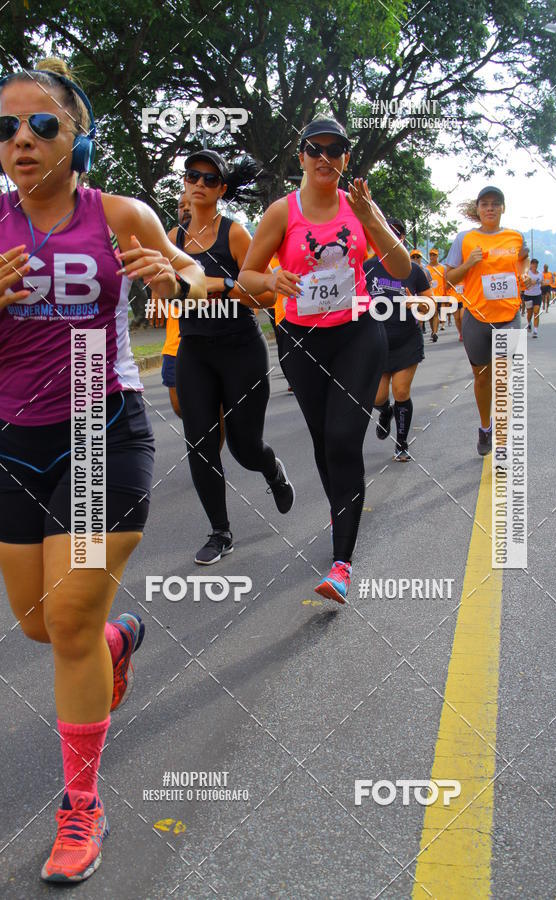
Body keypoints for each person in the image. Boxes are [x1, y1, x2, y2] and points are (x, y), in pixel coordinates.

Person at [0, 59, 206, 883]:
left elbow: (192, 277)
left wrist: (177, 279)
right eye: (6, 127)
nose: (20, 139)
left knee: (71, 622)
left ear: (79, 137)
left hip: (99, 424)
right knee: (39, 626)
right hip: (14, 435)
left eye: (41, 124)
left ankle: (81, 809)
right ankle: (119, 641)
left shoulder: (119, 214)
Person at [238, 116, 411, 602]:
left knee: (341, 438)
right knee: (322, 440)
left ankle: (341, 564)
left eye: (335, 150)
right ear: (301, 157)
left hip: (357, 333)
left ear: (346, 159)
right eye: (314, 149)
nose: (324, 158)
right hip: (300, 338)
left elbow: (403, 268)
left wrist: (371, 215)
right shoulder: (281, 212)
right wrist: (271, 281)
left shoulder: (360, 209)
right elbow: (246, 278)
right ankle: (343, 515)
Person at [174, 149, 294, 565]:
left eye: (210, 179)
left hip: (240, 348)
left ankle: (272, 470)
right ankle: (220, 532)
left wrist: (218, 285)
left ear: (222, 189)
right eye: (194, 176)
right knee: (200, 444)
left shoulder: (236, 233)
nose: (201, 184)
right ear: (185, 183)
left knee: (244, 446)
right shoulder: (170, 238)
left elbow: (264, 293)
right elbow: (162, 293)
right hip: (195, 351)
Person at [445, 186, 529, 456]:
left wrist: (523, 274)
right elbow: (448, 279)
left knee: (503, 377)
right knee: (482, 378)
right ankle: (485, 427)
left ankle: (503, 435)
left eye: (495, 204)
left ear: (503, 208)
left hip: (509, 316)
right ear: (477, 209)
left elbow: (523, 260)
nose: (490, 208)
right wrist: (469, 263)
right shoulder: (464, 239)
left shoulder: (515, 237)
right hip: (476, 319)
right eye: (485, 204)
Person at [367, 220, 432, 461]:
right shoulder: (366, 268)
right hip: (376, 342)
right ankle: (385, 413)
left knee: (401, 390)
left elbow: (429, 305)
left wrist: (415, 301)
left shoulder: (414, 271)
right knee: (377, 397)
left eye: (395, 234)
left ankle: (402, 443)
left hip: (406, 339)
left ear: (402, 239)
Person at [161, 192, 191, 417]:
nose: (186, 209)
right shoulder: (170, 241)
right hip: (174, 343)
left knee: (204, 412)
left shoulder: (227, 236)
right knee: (181, 408)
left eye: (190, 204)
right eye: (181, 205)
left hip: (210, 340)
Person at [411, 248, 437, 340]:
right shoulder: (408, 270)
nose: (415, 258)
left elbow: (430, 283)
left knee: (433, 314)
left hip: (425, 296)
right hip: (414, 297)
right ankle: (420, 334)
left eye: (417, 256)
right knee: (420, 317)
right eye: (413, 256)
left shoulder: (426, 271)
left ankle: (434, 333)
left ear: (421, 258)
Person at [425, 247, 448, 334]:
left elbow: (445, 280)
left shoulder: (443, 268)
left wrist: (447, 292)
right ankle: (434, 330)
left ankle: (442, 324)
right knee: (434, 313)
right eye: (431, 255)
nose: (432, 257)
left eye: (434, 255)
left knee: (442, 309)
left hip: (441, 292)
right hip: (431, 293)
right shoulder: (426, 268)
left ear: (437, 256)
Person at [523, 258, 542, 337]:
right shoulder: (527, 273)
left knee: (536, 312)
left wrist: (542, 282)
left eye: (536, 264)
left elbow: (542, 282)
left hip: (537, 295)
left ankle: (535, 331)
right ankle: (529, 323)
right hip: (528, 295)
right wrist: (530, 282)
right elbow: (524, 281)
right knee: (529, 312)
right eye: (533, 264)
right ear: (531, 265)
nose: (535, 265)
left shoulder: (540, 274)